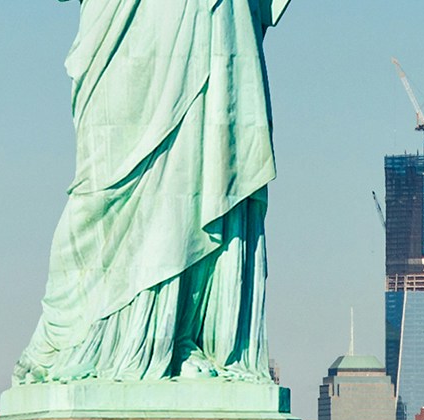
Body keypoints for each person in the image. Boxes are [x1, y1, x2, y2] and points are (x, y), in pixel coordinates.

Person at [14, 0, 292, 385]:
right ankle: (89, 336)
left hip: (212, 18)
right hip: (132, 24)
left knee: (198, 172)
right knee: (107, 189)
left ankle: (184, 337)